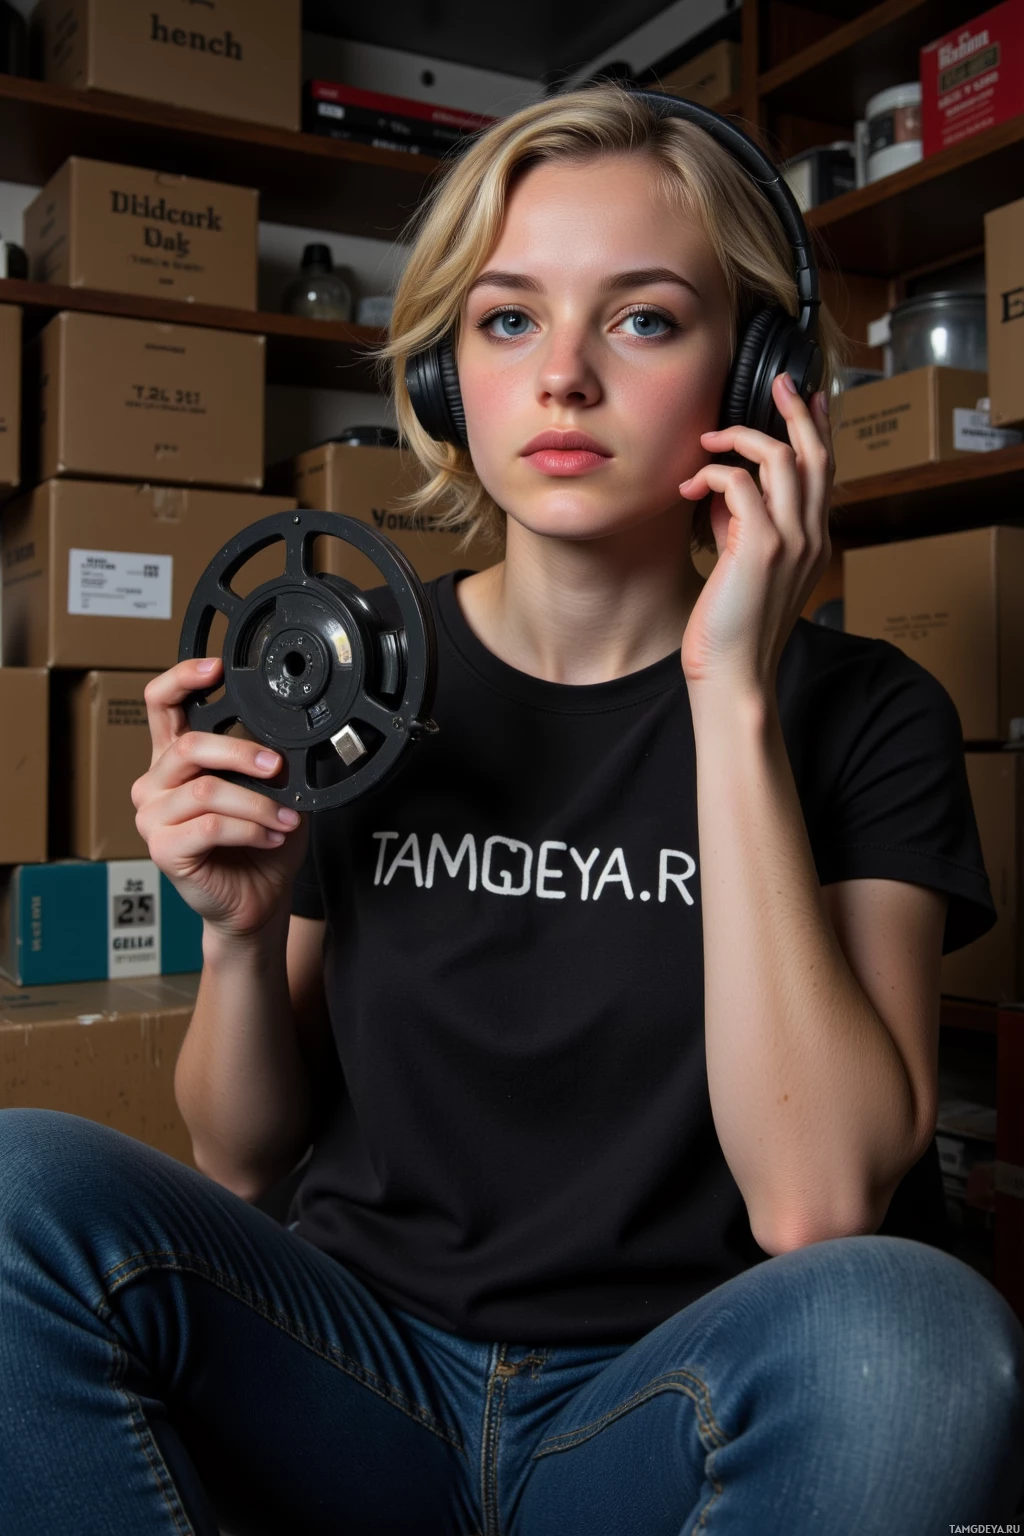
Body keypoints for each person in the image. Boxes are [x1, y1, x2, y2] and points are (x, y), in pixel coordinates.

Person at [1, 84, 1021, 1536]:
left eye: (646, 319)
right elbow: (236, 1158)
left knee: (911, 1334)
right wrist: (236, 935)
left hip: (668, 1407)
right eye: (507, 319)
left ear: (753, 380)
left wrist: (727, 695)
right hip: (358, 1377)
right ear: (441, 379)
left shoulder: (867, 716)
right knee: (12, 1192)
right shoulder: (345, 670)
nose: (564, 378)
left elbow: (818, 1213)